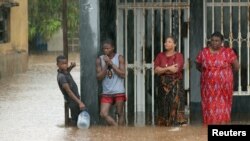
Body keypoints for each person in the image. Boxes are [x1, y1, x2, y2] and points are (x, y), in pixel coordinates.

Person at [195, 31, 240, 125]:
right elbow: (198, 66)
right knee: (209, 105)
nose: (214, 42)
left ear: (222, 42)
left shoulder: (228, 52)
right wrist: (209, 73)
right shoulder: (204, 52)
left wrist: (225, 75)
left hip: (224, 86)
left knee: (223, 105)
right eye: (212, 40)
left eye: (217, 40)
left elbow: (236, 66)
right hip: (208, 86)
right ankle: (209, 125)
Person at [154, 36, 187, 126]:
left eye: (169, 42)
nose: (166, 43)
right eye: (165, 42)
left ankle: (177, 129)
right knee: (163, 106)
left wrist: (163, 69)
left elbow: (175, 70)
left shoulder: (179, 56)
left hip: (176, 85)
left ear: (174, 44)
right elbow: (156, 70)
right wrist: (169, 68)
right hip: (162, 85)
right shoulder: (160, 56)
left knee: (175, 105)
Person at [96, 39, 126, 126]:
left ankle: (121, 135)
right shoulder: (99, 59)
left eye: (108, 48)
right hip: (106, 92)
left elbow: (123, 74)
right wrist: (106, 65)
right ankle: (117, 129)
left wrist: (111, 64)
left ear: (113, 48)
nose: (106, 50)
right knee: (103, 113)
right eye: (104, 49)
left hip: (119, 91)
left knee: (120, 113)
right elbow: (99, 77)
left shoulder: (119, 57)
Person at [57, 55, 85, 126]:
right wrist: (79, 102)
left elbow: (67, 71)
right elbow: (69, 92)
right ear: (58, 65)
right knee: (75, 121)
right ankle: (72, 134)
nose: (65, 65)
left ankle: (72, 135)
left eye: (66, 63)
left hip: (74, 100)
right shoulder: (61, 77)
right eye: (62, 64)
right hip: (72, 101)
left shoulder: (65, 72)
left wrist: (71, 66)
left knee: (77, 119)